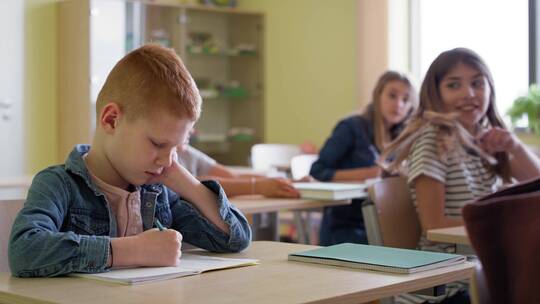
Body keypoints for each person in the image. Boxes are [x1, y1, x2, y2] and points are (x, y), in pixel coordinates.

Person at [8, 44, 251, 277]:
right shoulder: (57, 184)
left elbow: (235, 238)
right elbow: (24, 251)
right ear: (111, 120)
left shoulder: (158, 193)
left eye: (177, 148)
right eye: (158, 144)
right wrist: (134, 250)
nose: (167, 160)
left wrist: (188, 183)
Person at [382, 47, 540, 304]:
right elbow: (433, 226)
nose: (469, 93)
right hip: (444, 286)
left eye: (477, 83)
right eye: (454, 85)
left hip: (478, 275)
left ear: (490, 88)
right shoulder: (433, 139)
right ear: (436, 94)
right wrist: (496, 225)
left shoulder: (485, 140)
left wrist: (515, 147)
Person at [310, 71, 415, 246]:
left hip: (385, 222)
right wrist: (370, 173)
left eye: (406, 99)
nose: (398, 104)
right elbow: (318, 171)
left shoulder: (402, 136)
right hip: (346, 224)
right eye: (392, 96)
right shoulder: (351, 127)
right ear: (378, 95)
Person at [178, 145, 299, 198]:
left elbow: (232, 176)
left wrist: (289, 181)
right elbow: (197, 183)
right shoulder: (169, 156)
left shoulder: (187, 151)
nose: (192, 131)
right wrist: (258, 187)